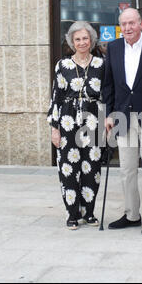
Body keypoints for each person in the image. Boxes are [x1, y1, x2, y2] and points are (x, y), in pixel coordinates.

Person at [102, 8, 142, 235]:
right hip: (122, 116)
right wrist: (108, 114)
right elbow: (108, 85)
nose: (128, 28)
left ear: (141, 24)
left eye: (132, 23)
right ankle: (131, 215)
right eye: (124, 24)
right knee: (127, 170)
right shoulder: (113, 48)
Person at [47, 21, 105, 230]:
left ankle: (89, 212)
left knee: (92, 167)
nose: (82, 42)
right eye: (77, 39)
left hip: (94, 119)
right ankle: (72, 213)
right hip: (68, 119)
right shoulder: (62, 65)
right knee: (69, 168)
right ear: (72, 42)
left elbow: (107, 95)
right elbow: (56, 97)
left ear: (91, 40)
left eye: (85, 38)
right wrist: (54, 128)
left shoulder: (101, 64)